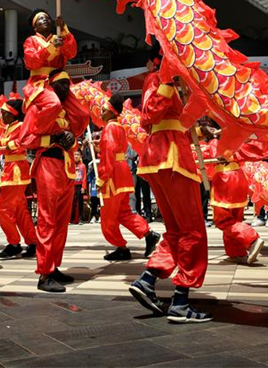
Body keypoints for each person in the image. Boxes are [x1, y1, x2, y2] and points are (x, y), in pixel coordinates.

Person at [128, 57, 211, 323]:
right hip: (172, 158)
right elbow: (149, 114)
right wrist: (167, 80)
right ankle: (181, 301)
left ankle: (148, 279)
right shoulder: (158, 79)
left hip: (162, 158)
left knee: (177, 229)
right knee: (193, 231)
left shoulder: (174, 82)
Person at [19, 70, 89, 293]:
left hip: (67, 167)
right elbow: (25, 139)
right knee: (47, 219)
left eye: (68, 84)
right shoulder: (38, 108)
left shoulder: (67, 111)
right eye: (60, 84)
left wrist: (71, 141)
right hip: (48, 164)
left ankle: (54, 266)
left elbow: (72, 141)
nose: (65, 88)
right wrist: (54, 138)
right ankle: (44, 273)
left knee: (61, 222)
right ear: (50, 86)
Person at [98, 95, 160, 261]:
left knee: (108, 216)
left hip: (113, 176)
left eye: (103, 110)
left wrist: (101, 178)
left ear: (111, 112)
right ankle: (148, 233)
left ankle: (120, 246)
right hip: (122, 173)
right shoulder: (118, 127)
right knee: (124, 212)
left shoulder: (110, 127)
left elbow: (109, 154)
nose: (101, 113)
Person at [201, 133, 265, 265]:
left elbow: (201, 159)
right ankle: (237, 252)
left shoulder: (215, 143)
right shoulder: (238, 141)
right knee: (235, 219)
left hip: (224, 179)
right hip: (239, 177)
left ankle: (251, 238)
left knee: (223, 220)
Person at [0, 99, 37, 259]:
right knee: (20, 210)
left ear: (13, 115)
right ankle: (33, 242)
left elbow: (25, 141)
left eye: (4, 113)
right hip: (10, 171)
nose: (1, 115)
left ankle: (14, 243)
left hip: (16, 172)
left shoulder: (21, 127)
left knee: (3, 208)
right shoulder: (7, 129)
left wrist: (10, 146)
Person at [22, 11, 77, 115]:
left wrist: (64, 29)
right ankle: (39, 130)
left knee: (80, 113)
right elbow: (31, 62)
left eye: (47, 18)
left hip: (59, 80)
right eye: (41, 18)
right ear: (35, 28)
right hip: (39, 81)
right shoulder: (31, 40)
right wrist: (51, 48)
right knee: (53, 104)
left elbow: (72, 53)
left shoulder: (58, 38)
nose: (45, 20)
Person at [71, 150, 86, 224]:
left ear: (80, 156)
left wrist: (83, 187)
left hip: (79, 185)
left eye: (78, 155)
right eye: (75, 154)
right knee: (71, 203)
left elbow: (84, 177)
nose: (76, 156)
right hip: (72, 186)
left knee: (80, 202)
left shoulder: (82, 166)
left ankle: (80, 218)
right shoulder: (70, 165)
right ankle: (71, 219)